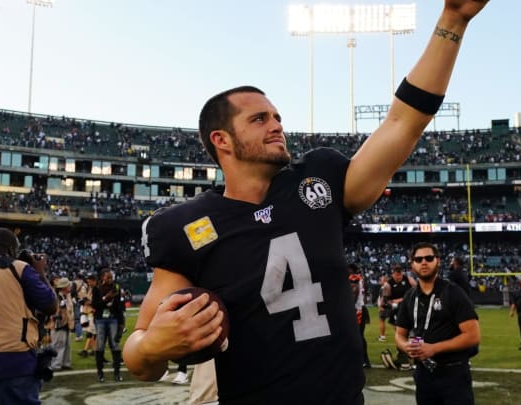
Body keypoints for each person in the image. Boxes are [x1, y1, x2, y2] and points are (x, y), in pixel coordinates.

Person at [123, 1, 491, 402]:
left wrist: (453, 19)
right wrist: (154, 345)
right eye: (259, 119)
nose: (277, 124)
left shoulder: (318, 180)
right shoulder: (187, 226)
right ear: (221, 140)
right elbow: (140, 357)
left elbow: (404, 122)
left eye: (277, 116)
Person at [395, 242, 481, 405]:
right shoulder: (410, 297)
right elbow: (400, 334)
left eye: (429, 258)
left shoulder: (453, 292)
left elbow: (473, 336)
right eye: (418, 259)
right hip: (423, 373)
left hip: (453, 372)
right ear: (412, 264)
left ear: (438, 261)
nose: (424, 262)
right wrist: (406, 347)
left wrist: (433, 348)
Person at [0, 228, 57, 404]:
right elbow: (50, 306)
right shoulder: (19, 268)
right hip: (15, 360)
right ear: (10, 249)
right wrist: (40, 272)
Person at [92, 268, 124, 382]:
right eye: (108, 277)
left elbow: (119, 306)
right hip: (101, 319)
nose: (110, 279)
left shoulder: (116, 288)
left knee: (115, 345)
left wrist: (121, 322)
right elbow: (95, 305)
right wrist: (106, 298)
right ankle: (100, 373)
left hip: (113, 318)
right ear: (102, 278)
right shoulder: (96, 289)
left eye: (111, 277)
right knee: (100, 346)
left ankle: (117, 373)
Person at [378, 264, 417, 343]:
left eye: (400, 275)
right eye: (397, 275)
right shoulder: (388, 285)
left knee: (413, 326)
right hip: (397, 308)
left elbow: (417, 289)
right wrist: (398, 301)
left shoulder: (408, 279)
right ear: (393, 274)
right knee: (400, 328)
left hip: (410, 306)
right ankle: (402, 346)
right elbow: (386, 300)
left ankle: (411, 341)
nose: (399, 277)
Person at [49, 277, 75, 371]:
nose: (70, 286)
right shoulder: (57, 297)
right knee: (58, 344)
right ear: (64, 287)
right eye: (68, 285)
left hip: (67, 323)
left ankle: (65, 363)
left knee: (67, 344)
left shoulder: (67, 296)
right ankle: (56, 364)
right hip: (58, 323)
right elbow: (55, 310)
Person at [348, 263, 371, 368]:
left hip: (357, 309)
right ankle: (364, 359)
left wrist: (351, 307)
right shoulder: (360, 278)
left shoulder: (354, 278)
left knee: (357, 336)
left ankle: (362, 359)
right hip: (361, 307)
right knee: (358, 336)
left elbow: (354, 291)